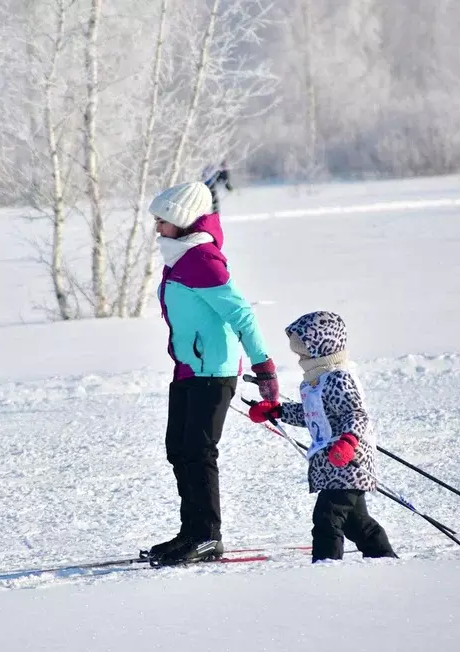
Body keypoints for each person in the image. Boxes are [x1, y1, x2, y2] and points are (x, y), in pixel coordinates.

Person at [146, 181, 278, 565]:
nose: (157, 228)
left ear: (182, 221)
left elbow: (241, 314)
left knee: (199, 451)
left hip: (212, 372)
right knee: (179, 450)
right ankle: (190, 532)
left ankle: (207, 536)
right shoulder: (180, 256)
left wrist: (264, 368)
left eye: (162, 220)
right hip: (188, 369)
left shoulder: (202, 259)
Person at [248, 311, 397, 562]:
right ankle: (383, 558)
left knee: (327, 516)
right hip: (329, 461)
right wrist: (278, 411)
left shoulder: (339, 378)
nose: (300, 358)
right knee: (355, 523)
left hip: (350, 461)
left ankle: (326, 568)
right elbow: (312, 415)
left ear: (321, 348)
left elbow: (357, 414)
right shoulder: (313, 382)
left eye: (304, 352)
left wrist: (348, 441)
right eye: (299, 353)